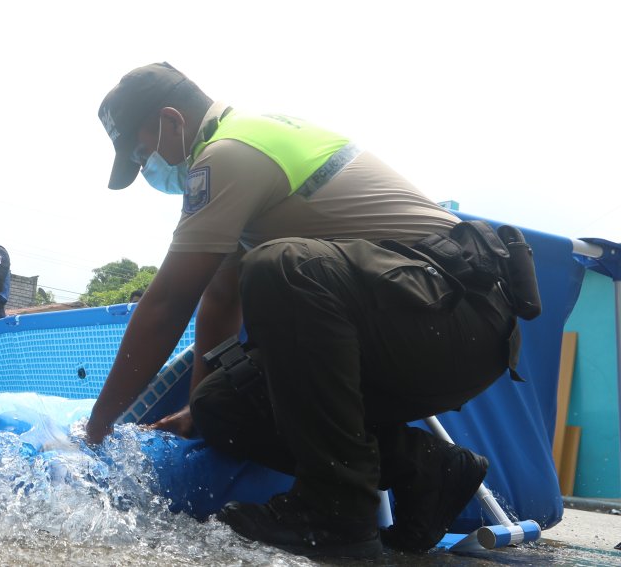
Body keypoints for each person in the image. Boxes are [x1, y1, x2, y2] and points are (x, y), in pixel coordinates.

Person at [84, 63, 529, 558]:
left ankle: (337, 512)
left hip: (457, 319)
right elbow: (220, 299)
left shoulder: (231, 152)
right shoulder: (237, 158)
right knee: (221, 406)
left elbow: (168, 303)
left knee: (282, 266)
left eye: (142, 154)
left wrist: (96, 429)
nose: (148, 170)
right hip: (414, 325)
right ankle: (426, 469)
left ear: (172, 122)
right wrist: (196, 411)